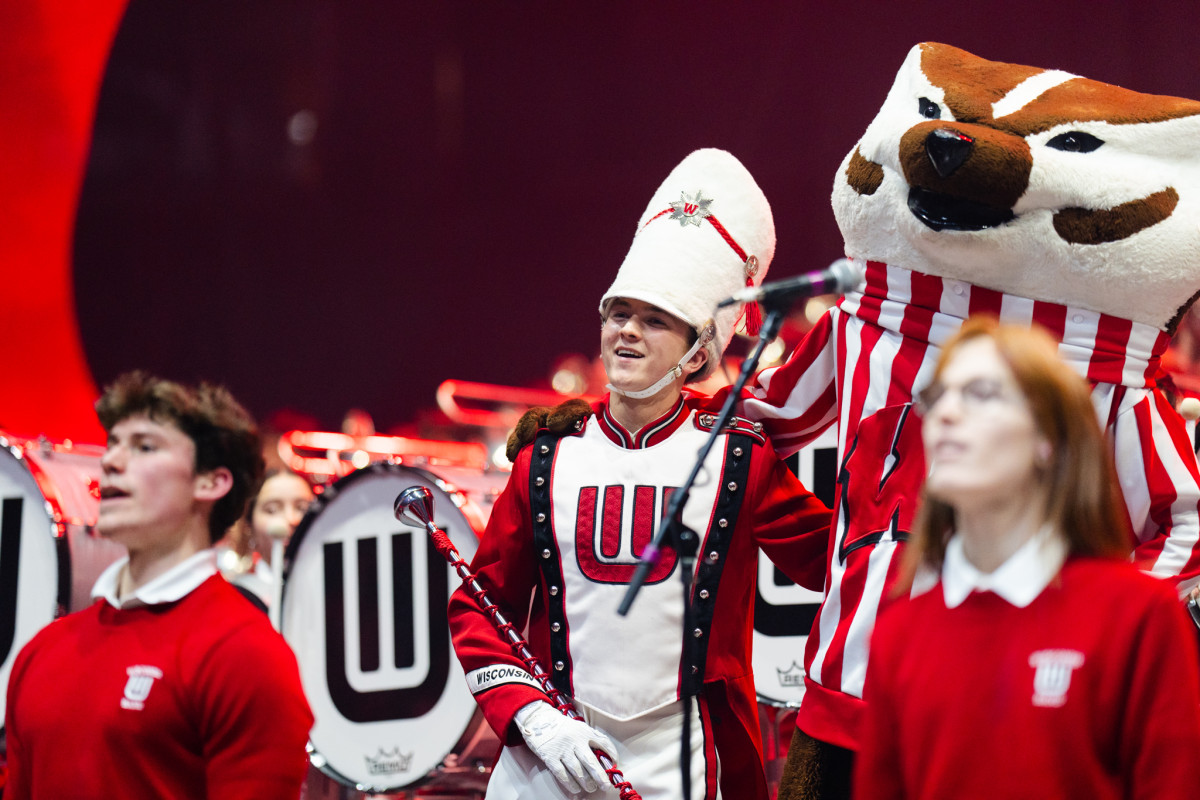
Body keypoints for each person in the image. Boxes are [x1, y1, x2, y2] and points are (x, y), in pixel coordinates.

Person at [448, 148, 832, 800]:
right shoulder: (544, 456)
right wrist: (534, 718)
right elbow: (480, 609)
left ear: (698, 352)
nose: (627, 332)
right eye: (617, 313)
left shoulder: (738, 457)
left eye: (655, 320)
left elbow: (842, 564)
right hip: (551, 755)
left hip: (691, 758)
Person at [854, 317, 1200, 799]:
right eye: (938, 396)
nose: (946, 414)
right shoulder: (899, 635)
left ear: (1048, 439)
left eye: (980, 394)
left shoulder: (1136, 616)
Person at [3, 371, 314, 799]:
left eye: (144, 446)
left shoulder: (246, 654)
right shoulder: (41, 653)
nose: (110, 461)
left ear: (211, 482)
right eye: (112, 444)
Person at [220, 468, 315, 609]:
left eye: (302, 508)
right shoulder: (236, 598)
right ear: (249, 525)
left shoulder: (335, 590)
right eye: (272, 510)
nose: (291, 519)